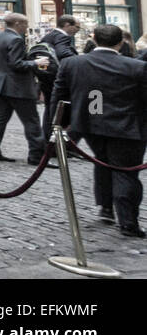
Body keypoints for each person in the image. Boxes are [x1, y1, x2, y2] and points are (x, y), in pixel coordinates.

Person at [53, 23, 147, 237]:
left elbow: (58, 98)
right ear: (121, 42)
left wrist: (55, 125)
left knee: (103, 162)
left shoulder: (73, 63)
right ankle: (128, 221)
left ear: (94, 39)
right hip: (126, 127)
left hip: (90, 124)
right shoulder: (135, 67)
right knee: (124, 171)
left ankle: (106, 207)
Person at [0, 12, 48, 165]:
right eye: (25, 23)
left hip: (2, 85)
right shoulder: (16, 39)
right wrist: (37, 63)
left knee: (0, 118)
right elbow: (16, 64)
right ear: (18, 24)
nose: (27, 26)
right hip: (18, 87)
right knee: (31, 121)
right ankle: (36, 156)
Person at [38, 15, 80, 142]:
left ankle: (47, 139)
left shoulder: (49, 36)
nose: (78, 30)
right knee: (60, 111)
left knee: (49, 109)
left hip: (46, 78)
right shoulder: (62, 36)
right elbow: (63, 53)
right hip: (56, 79)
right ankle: (58, 143)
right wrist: (79, 59)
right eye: (77, 27)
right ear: (67, 25)